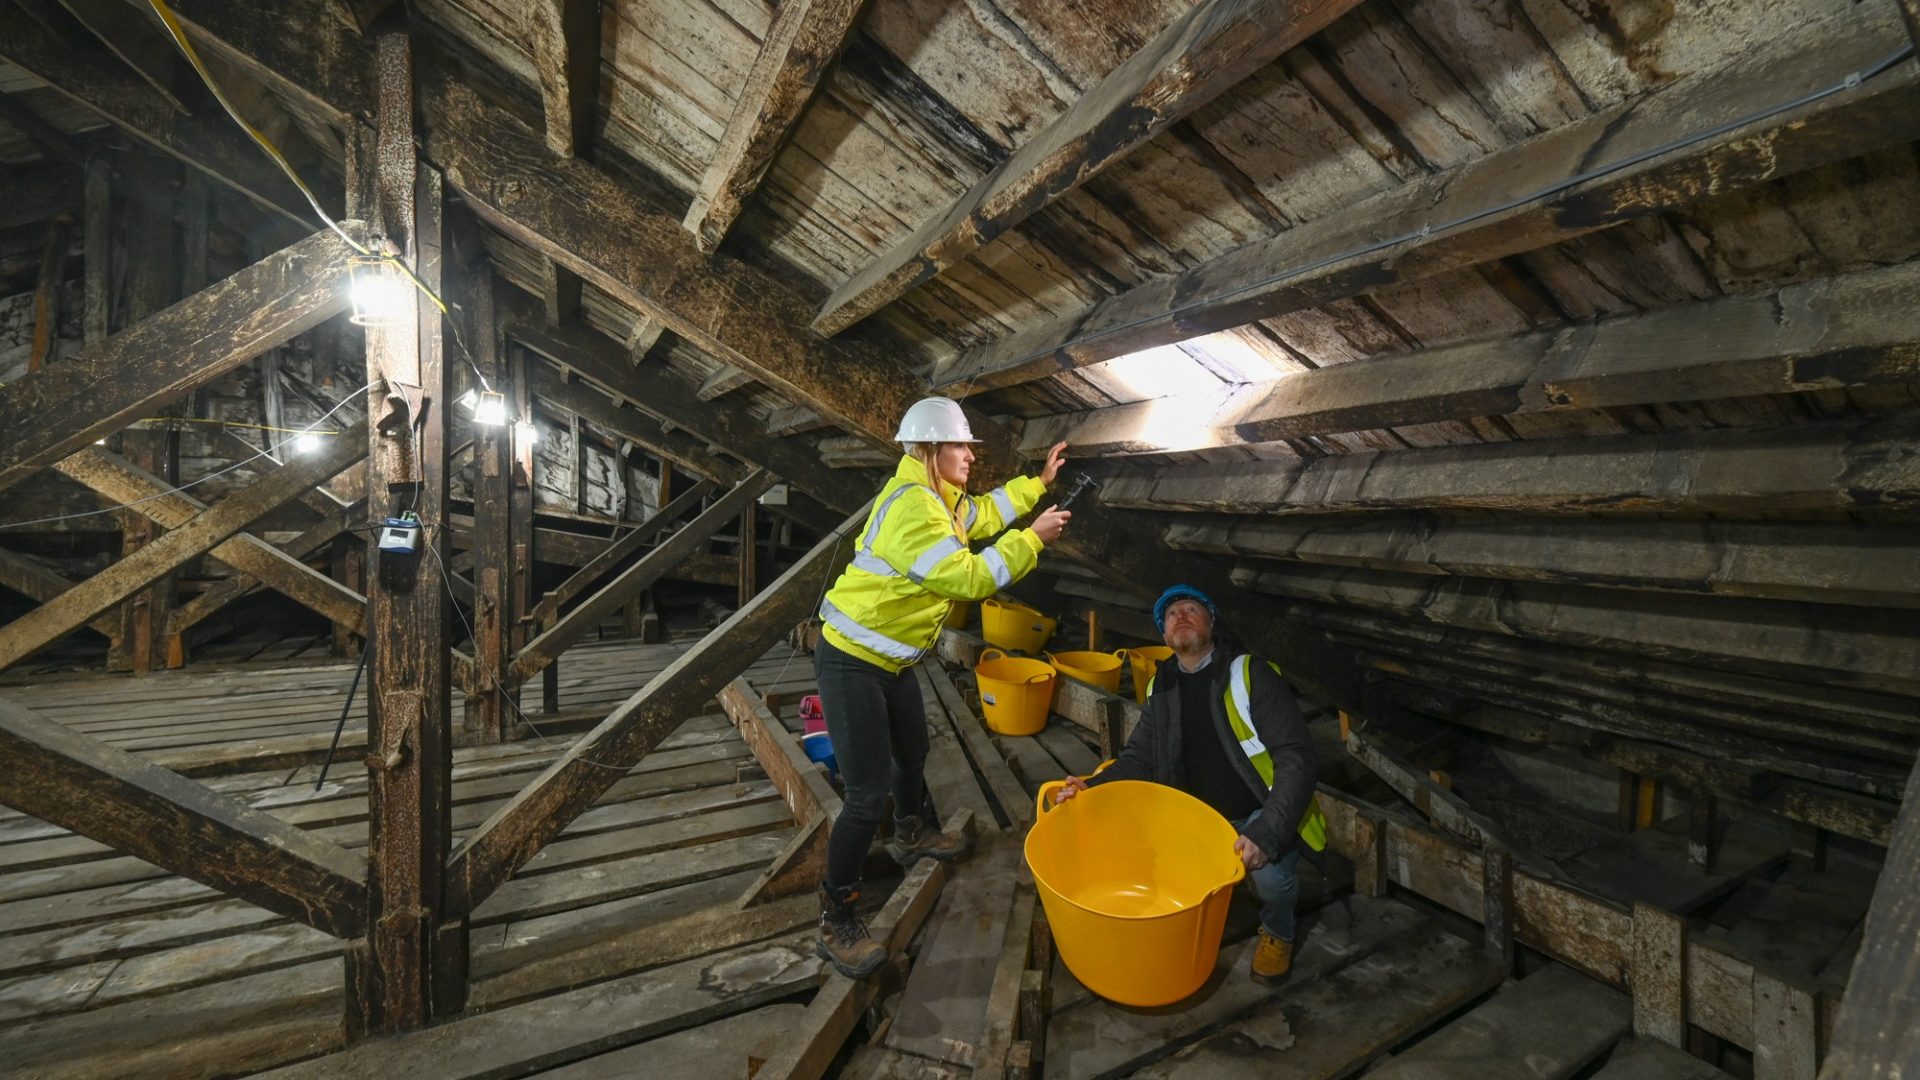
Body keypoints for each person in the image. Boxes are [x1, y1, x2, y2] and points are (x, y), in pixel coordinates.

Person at [814, 396, 1072, 978]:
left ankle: (912, 832)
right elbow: (971, 578)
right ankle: (836, 914)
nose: (969, 458)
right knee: (863, 794)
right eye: (959, 448)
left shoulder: (940, 500)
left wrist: (1038, 484)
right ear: (930, 451)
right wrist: (1033, 539)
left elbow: (981, 514)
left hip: (892, 660)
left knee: (914, 752)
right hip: (853, 660)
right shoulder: (914, 511)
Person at [1051, 584, 1325, 985]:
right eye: (1171, 614)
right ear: (1164, 637)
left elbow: (1296, 757)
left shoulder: (1249, 675)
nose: (1180, 615)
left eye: (1191, 608)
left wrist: (1267, 831)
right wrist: (1092, 786)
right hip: (1194, 817)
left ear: (1211, 622)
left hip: (1255, 813)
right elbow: (1139, 758)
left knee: (1272, 881)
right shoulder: (1159, 685)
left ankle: (1278, 930)